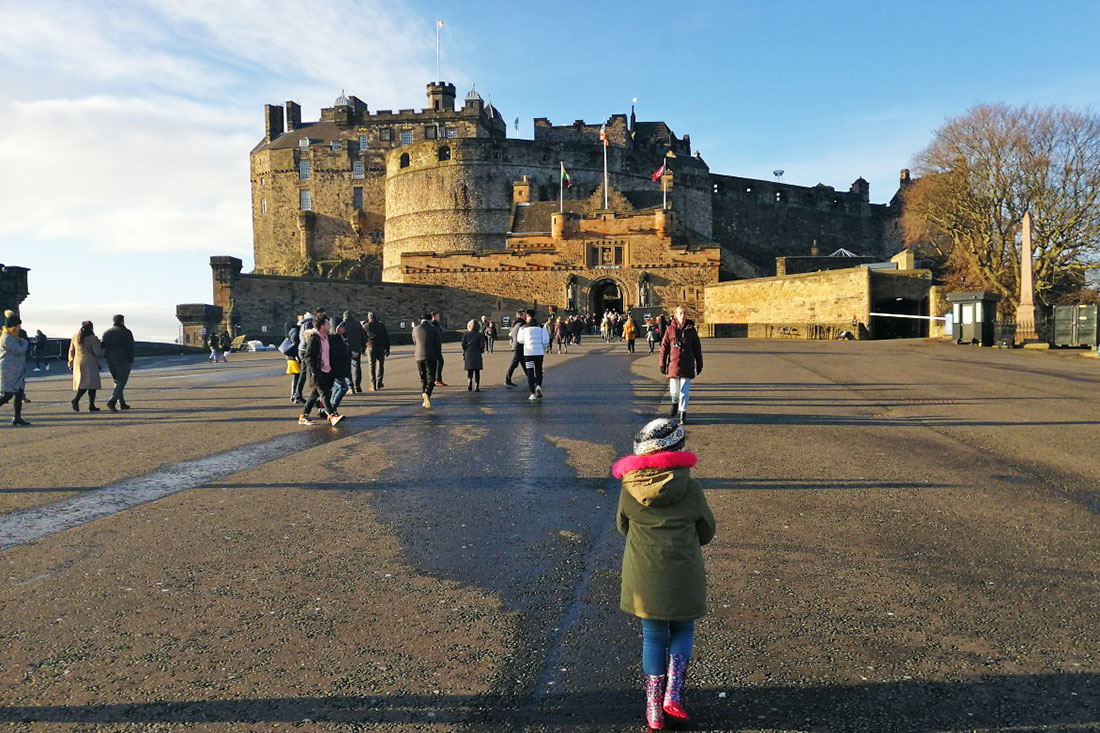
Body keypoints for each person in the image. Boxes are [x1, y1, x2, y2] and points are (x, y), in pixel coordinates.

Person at [613, 417, 715, 730]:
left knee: (654, 637)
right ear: (677, 449)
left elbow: (623, 526)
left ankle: (653, 707)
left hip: (645, 575)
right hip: (683, 571)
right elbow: (706, 530)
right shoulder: (691, 488)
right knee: (683, 628)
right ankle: (673, 694)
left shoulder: (630, 488)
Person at [660, 306, 703, 426]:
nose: (683, 315)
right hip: (674, 364)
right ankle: (674, 401)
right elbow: (664, 348)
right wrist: (662, 363)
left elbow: (697, 348)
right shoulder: (670, 329)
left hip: (687, 363)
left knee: (684, 391)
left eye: (684, 313)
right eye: (680, 313)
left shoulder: (692, 330)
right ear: (676, 315)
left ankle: (683, 412)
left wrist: (699, 363)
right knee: (674, 391)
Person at [298, 315, 343, 426]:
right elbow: (308, 357)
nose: (329, 326)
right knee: (325, 393)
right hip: (318, 372)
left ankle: (303, 416)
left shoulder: (327, 337)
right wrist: (314, 371)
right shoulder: (314, 338)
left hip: (327, 370)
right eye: (327, 324)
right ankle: (331, 415)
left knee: (314, 395)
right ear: (322, 326)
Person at [0, 312, 30, 425]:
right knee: (7, 395)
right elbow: (19, 350)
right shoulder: (7, 337)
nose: (20, 328)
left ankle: (17, 417)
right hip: (8, 370)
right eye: (18, 326)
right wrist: (25, 342)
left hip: (17, 369)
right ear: (13, 326)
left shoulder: (12, 336)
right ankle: (17, 417)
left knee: (18, 393)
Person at [100, 314, 135, 412]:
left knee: (117, 380)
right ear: (122, 321)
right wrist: (131, 358)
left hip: (110, 360)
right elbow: (130, 346)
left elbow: (103, 346)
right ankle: (113, 400)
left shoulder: (107, 333)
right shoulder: (126, 332)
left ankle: (122, 403)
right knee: (121, 381)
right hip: (123, 359)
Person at [68, 320, 103, 412]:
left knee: (82, 382)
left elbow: (71, 351)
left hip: (78, 361)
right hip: (90, 362)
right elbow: (97, 352)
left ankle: (80, 401)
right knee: (91, 384)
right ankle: (85, 403)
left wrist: (70, 362)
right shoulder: (93, 338)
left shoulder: (75, 337)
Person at [516, 312, 550, 401]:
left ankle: (532, 393)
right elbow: (546, 339)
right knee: (539, 370)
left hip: (528, 353)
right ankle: (538, 386)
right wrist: (543, 347)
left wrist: (527, 342)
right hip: (539, 353)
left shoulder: (523, 328)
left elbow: (520, 340)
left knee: (530, 372)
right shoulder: (542, 327)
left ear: (527, 316)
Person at [412, 312, 441, 409]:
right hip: (431, 356)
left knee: (423, 378)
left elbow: (414, 341)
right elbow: (437, 344)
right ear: (430, 320)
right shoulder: (433, 329)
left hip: (419, 356)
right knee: (431, 378)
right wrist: (439, 356)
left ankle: (424, 399)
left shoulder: (415, 329)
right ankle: (427, 393)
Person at [326, 318, 353, 417]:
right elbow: (336, 354)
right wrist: (348, 354)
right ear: (335, 328)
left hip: (339, 367)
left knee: (337, 388)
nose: (343, 328)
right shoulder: (332, 338)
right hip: (335, 368)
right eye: (341, 326)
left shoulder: (340, 337)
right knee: (343, 388)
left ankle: (332, 409)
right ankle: (331, 408)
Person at [341, 310, 367, 393]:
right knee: (357, 366)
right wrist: (363, 348)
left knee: (347, 368)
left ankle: (350, 386)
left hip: (346, 348)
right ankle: (357, 385)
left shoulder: (343, 324)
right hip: (357, 347)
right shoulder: (357, 324)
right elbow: (363, 336)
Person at [364, 311, 390, 390]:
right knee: (380, 366)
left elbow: (363, 338)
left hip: (371, 347)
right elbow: (386, 337)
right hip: (381, 347)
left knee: (372, 366)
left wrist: (363, 348)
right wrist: (388, 348)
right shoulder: (381, 325)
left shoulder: (365, 326)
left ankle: (373, 384)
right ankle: (379, 382)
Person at [461, 320, 487, 392]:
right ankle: (477, 386)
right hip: (477, 353)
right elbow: (482, 345)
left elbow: (463, 344)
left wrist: (466, 350)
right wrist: (480, 351)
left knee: (470, 371)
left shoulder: (466, 335)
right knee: (477, 371)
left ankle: (469, 382)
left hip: (468, 353)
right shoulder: (480, 335)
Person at [504, 311, 527, 387]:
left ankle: (532, 379)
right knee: (514, 364)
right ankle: (507, 380)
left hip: (517, 346)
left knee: (524, 363)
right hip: (519, 346)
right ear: (521, 316)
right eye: (524, 315)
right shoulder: (520, 324)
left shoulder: (516, 324)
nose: (526, 316)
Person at [431, 312, 448, 387]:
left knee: (436, 363)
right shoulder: (433, 325)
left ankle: (434, 379)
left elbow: (442, 331)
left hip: (436, 347)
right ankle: (437, 379)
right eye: (438, 316)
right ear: (433, 317)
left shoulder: (437, 325)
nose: (439, 318)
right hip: (434, 347)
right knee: (439, 362)